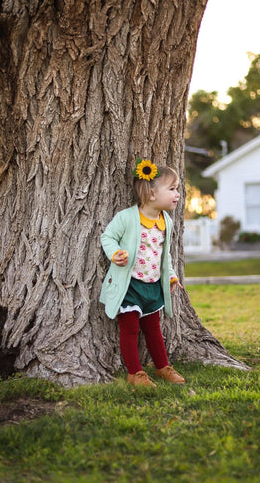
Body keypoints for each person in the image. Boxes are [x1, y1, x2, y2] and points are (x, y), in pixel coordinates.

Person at [100, 159, 185, 387]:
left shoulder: (166, 221)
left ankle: (162, 367)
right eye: (172, 189)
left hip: (152, 285)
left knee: (154, 330)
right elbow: (107, 237)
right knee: (130, 329)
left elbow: (164, 254)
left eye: (177, 189)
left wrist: (171, 276)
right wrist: (115, 253)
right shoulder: (127, 217)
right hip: (129, 285)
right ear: (152, 193)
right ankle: (135, 373)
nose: (178, 194)